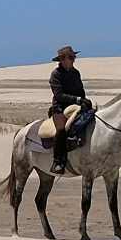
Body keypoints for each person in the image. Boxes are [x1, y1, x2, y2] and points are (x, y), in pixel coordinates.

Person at [49, 46, 92, 174]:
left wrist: (84, 101)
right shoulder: (56, 75)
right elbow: (59, 95)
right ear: (62, 59)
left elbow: (81, 90)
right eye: (71, 57)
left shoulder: (75, 73)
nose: (74, 59)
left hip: (76, 106)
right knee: (61, 130)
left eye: (74, 57)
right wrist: (78, 100)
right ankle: (57, 161)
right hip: (60, 108)